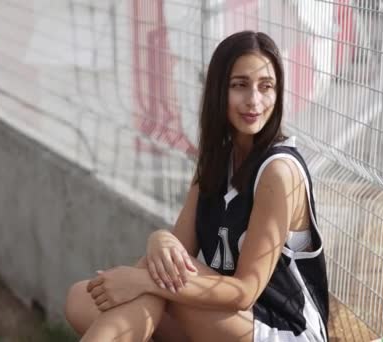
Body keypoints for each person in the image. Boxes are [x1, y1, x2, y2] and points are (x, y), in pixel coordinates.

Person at [64, 30, 329, 342]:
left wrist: (145, 281)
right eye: (240, 85)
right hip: (232, 321)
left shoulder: (279, 172)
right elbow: (176, 251)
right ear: (219, 90)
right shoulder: (216, 159)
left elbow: (245, 291)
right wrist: (158, 240)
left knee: (157, 280)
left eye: (266, 87)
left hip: (284, 330)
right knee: (80, 299)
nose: (254, 100)